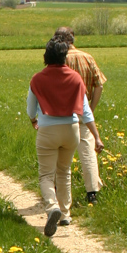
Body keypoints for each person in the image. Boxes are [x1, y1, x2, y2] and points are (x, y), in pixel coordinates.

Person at [27, 37, 104, 237]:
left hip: (47, 131)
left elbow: (30, 108)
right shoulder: (76, 78)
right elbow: (86, 111)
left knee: (46, 174)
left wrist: (33, 119)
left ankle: (52, 207)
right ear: (64, 56)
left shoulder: (37, 79)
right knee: (64, 171)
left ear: (46, 56)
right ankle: (65, 214)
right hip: (71, 129)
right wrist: (96, 136)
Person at [56, 26, 107, 204]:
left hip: (63, 114)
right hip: (84, 114)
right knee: (88, 153)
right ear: (73, 39)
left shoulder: (59, 59)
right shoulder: (87, 57)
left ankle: (59, 193)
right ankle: (92, 193)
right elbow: (99, 84)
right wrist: (91, 108)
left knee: (62, 154)